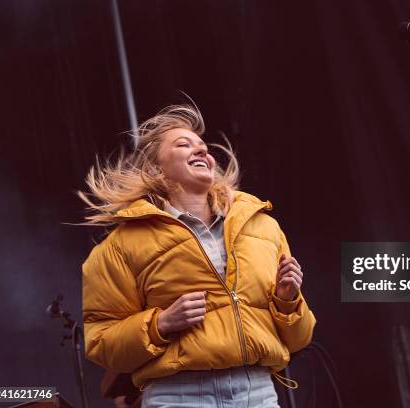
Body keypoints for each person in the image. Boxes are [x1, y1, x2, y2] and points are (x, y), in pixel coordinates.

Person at [79, 104, 316, 407]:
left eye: (204, 148)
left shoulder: (263, 227)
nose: (202, 151)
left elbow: (299, 339)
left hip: (257, 393)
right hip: (179, 395)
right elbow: (101, 342)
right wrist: (161, 324)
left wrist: (287, 301)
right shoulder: (119, 246)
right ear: (155, 169)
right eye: (183, 144)